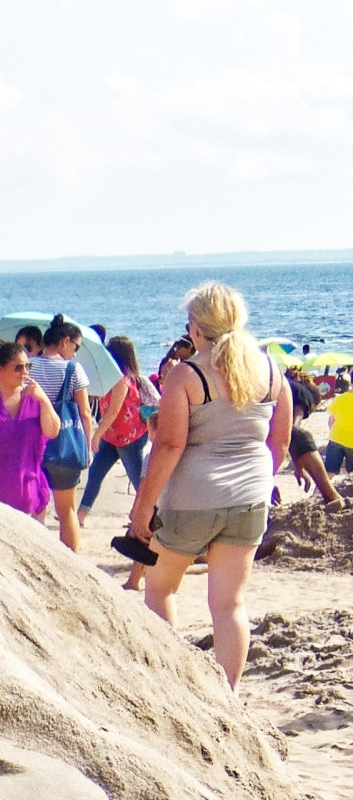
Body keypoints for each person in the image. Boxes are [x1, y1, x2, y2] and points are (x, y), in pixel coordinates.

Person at [126, 282, 290, 688]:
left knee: (160, 589)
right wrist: (259, 482)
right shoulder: (271, 370)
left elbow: (170, 445)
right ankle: (228, 696)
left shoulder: (187, 373)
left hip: (192, 498)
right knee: (229, 605)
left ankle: (173, 686)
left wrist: (143, 507)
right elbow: (280, 443)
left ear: (197, 326)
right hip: (250, 497)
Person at [27, 317, 96, 550]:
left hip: (33, 445)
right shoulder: (73, 369)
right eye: (76, 347)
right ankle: (70, 559)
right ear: (65, 341)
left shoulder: (28, 366)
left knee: (35, 509)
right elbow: (85, 412)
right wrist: (87, 446)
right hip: (65, 448)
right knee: (67, 511)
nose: (75, 353)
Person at [0, 339, 60, 522]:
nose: (24, 372)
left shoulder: (34, 398)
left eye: (27, 366)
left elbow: (52, 431)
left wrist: (44, 401)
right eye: (18, 367)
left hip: (28, 489)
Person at [79, 337, 151, 531]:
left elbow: (113, 411)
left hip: (129, 437)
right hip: (112, 436)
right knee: (95, 473)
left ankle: (148, 517)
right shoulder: (112, 378)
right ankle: (80, 515)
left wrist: (96, 435)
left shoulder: (122, 380)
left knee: (137, 479)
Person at [284, 373, 341, 507]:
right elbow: (295, 433)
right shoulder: (302, 394)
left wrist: (297, 462)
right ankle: (332, 498)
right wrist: (299, 466)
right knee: (305, 438)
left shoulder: (285, 385)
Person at [328, 377, 353, 477]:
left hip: (336, 438)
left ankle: (319, 488)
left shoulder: (339, 398)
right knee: (351, 474)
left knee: (329, 473)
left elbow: (331, 422)